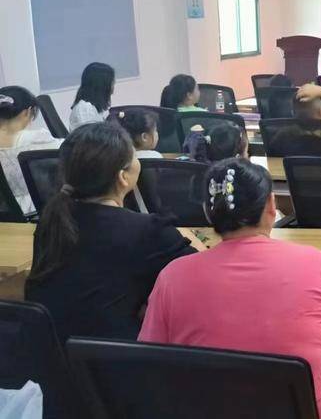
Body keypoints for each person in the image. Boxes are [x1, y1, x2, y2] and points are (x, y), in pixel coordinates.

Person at [139, 158, 321, 419]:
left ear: (208, 212)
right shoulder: (316, 263)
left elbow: (153, 365)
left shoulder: (172, 277)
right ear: (271, 205)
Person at [25, 122, 195, 341]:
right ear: (123, 177)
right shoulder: (148, 231)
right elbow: (198, 279)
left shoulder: (52, 220)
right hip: (112, 356)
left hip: (49, 352)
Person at [0, 86, 63, 216]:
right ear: (28, 112)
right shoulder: (37, 139)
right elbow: (70, 148)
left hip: (6, 217)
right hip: (39, 212)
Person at [69, 62, 115, 131]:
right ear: (102, 86)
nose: (113, 86)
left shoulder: (94, 108)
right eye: (112, 82)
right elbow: (93, 136)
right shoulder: (85, 109)